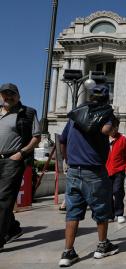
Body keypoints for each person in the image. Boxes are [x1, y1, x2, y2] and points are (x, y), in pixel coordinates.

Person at [58, 85, 118, 267]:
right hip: (94, 170)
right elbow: (106, 131)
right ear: (107, 99)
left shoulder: (75, 116)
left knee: (72, 212)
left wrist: (68, 159)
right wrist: (113, 122)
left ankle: (67, 252)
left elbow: (62, 141)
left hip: (74, 170)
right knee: (101, 208)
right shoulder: (106, 114)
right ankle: (102, 246)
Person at [0, 83, 41, 252]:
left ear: (18, 96)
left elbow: (36, 137)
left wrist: (21, 153)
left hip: (12, 159)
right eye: (5, 94)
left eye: (12, 94)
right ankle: (13, 228)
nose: (8, 97)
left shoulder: (28, 112)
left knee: (3, 199)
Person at [106, 117, 126, 224]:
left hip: (119, 169)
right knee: (108, 193)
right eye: (112, 127)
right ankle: (110, 215)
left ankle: (119, 213)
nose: (114, 129)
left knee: (118, 191)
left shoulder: (123, 139)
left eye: (116, 127)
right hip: (105, 170)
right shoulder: (103, 139)